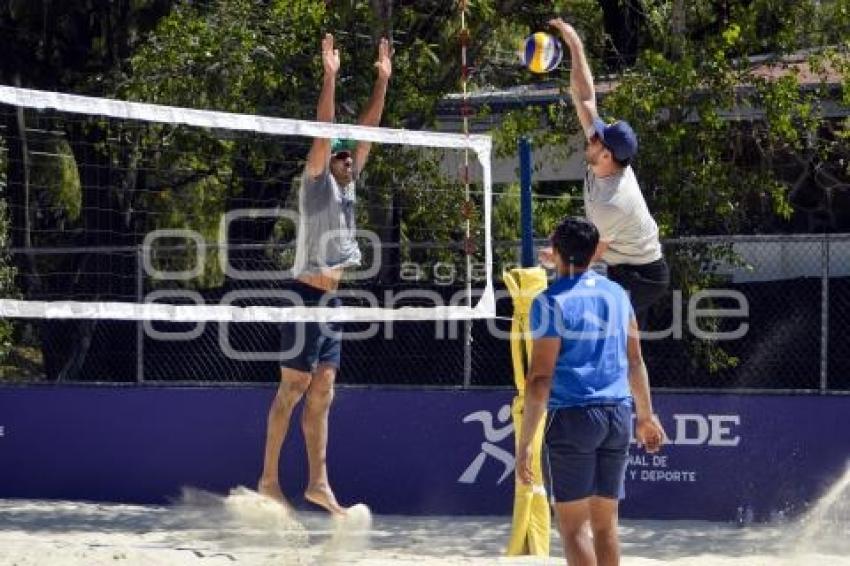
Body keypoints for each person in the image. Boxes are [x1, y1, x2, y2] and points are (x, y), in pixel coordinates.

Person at [257, 33, 391, 515]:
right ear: (326, 159)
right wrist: (329, 76)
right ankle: (269, 479)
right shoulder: (316, 183)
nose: (348, 158)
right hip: (303, 298)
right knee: (291, 389)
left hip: (330, 303)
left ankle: (318, 483)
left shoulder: (350, 185)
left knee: (323, 393)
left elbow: (368, 132)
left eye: (347, 155)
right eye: (341, 154)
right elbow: (325, 125)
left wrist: (382, 82)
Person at [517, 216, 666, 566]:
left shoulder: (550, 301)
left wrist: (526, 443)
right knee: (605, 526)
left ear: (555, 253)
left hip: (574, 416)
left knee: (573, 529)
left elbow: (540, 378)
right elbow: (635, 361)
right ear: (591, 254)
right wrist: (645, 416)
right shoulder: (616, 294)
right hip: (618, 414)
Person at [544, 17, 670, 329]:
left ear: (607, 155)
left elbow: (587, 257)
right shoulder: (603, 154)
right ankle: (627, 374)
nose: (591, 135)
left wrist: (558, 256)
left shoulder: (611, 202)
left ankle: (618, 374)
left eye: (597, 137)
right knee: (619, 336)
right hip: (622, 261)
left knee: (599, 324)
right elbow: (585, 96)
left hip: (644, 276)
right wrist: (575, 43)